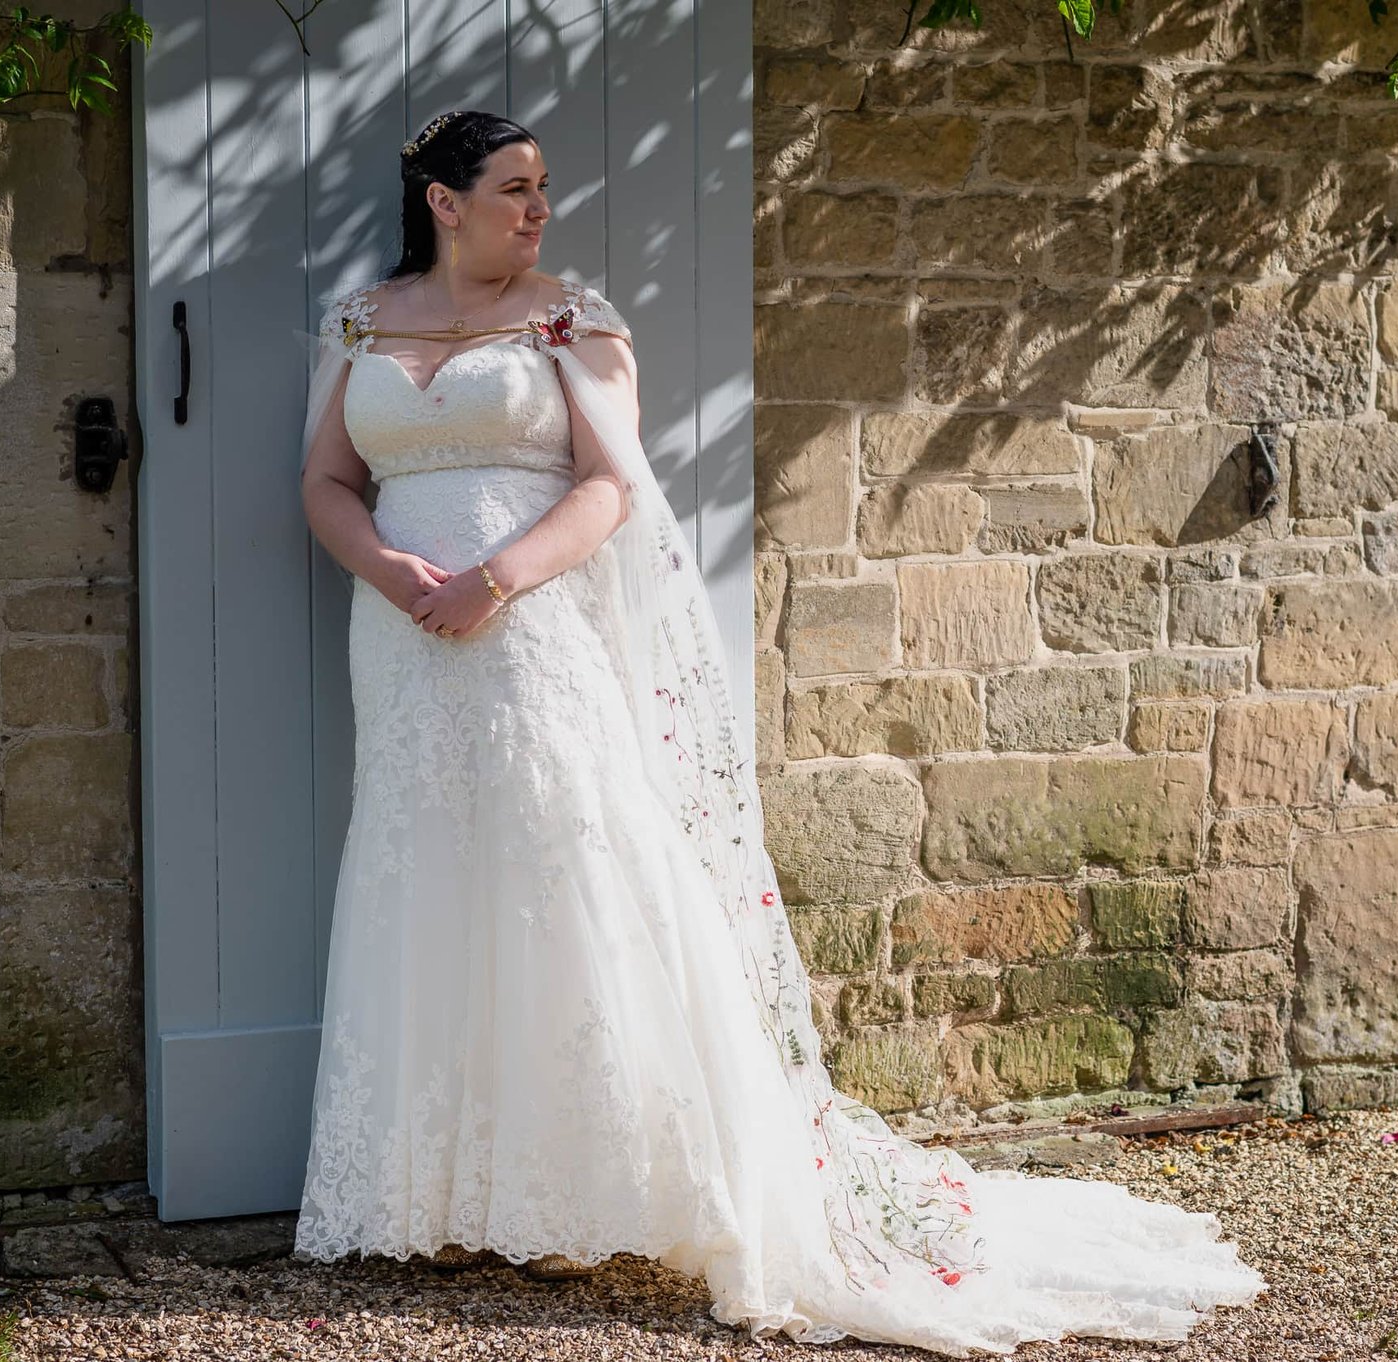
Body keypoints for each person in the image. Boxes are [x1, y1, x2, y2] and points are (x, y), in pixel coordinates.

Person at [291, 107, 1266, 1356]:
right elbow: (325, 479)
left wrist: (495, 578)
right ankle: (448, 1194)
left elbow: (610, 486)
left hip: (526, 627)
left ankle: (616, 1188)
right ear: (442, 199)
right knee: (426, 876)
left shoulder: (570, 319)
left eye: (544, 189)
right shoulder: (363, 322)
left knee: (571, 869)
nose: (537, 211)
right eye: (515, 189)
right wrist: (388, 569)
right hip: (403, 642)